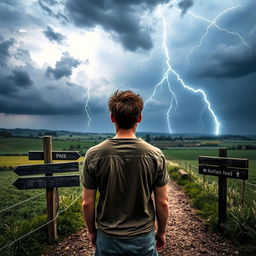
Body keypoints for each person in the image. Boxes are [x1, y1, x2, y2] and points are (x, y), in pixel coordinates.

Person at [81, 90, 169, 255]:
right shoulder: (155, 155)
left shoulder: (94, 155)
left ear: (112, 118)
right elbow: (162, 202)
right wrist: (161, 232)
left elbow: (87, 203)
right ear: (139, 118)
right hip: (142, 238)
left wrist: (92, 232)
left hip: (107, 238)